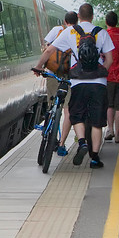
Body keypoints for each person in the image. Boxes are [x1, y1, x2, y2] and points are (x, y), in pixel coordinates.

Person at [33, 3, 114, 168]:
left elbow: (49, 51)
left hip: (78, 81)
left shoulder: (70, 32)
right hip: (99, 83)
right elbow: (110, 59)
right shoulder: (102, 33)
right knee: (97, 121)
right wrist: (99, 71)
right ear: (92, 16)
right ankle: (94, 158)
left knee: (76, 115)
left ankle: (82, 142)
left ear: (79, 16)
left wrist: (39, 66)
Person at [45, 11, 79, 156]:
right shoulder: (79, 33)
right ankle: (61, 143)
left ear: (65, 21)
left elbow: (47, 48)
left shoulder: (57, 30)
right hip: (70, 75)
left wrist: (40, 67)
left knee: (51, 106)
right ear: (77, 21)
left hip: (53, 74)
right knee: (67, 110)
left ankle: (49, 135)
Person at [103, 11, 119, 143]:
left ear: (107, 22)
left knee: (109, 105)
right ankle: (118, 135)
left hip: (108, 75)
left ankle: (110, 130)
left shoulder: (105, 36)